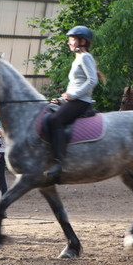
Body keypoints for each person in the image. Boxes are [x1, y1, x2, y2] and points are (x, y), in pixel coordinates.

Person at [44, 25, 99, 176]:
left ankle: (60, 162)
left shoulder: (85, 57)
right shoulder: (78, 58)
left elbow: (92, 81)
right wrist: (61, 100)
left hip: (82, 101)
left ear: (82, 41)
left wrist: (73, 96)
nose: (68, 42)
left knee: (55, 120)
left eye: (72, 39)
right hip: (74, 99)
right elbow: (76, 84)